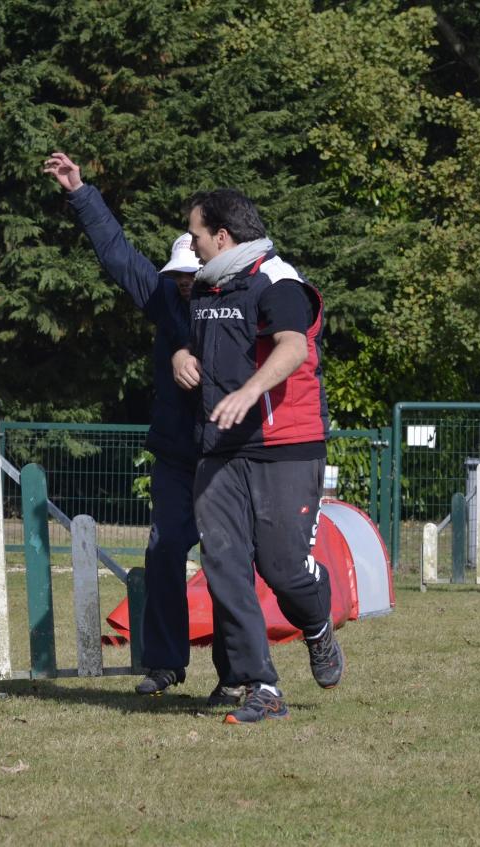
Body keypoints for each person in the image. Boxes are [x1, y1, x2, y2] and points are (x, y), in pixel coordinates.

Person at [44, 152, 240, 704]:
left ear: (207, 272)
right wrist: (80, 192)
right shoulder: (162, 301)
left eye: (189, 279)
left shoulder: (234, 302)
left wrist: (191, 360)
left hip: (226, 456)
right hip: (177, 457)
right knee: (162, 553)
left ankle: (236, 674)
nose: (181, 287)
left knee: (227, 562)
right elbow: (116, 253)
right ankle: (164, 665)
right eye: (174, 279)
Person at [174, 187, 344, 724]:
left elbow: (293, 347)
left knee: (282, 568)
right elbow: (195, 344)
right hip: (220, 448)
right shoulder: (205, 289)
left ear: (222, 236)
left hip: (285, 446)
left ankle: (317, 628)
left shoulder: (280, 281)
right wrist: (182, 355)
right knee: (223, 563)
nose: (191, 245)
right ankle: (261, 686)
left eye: (197, 235)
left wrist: (250, 392)